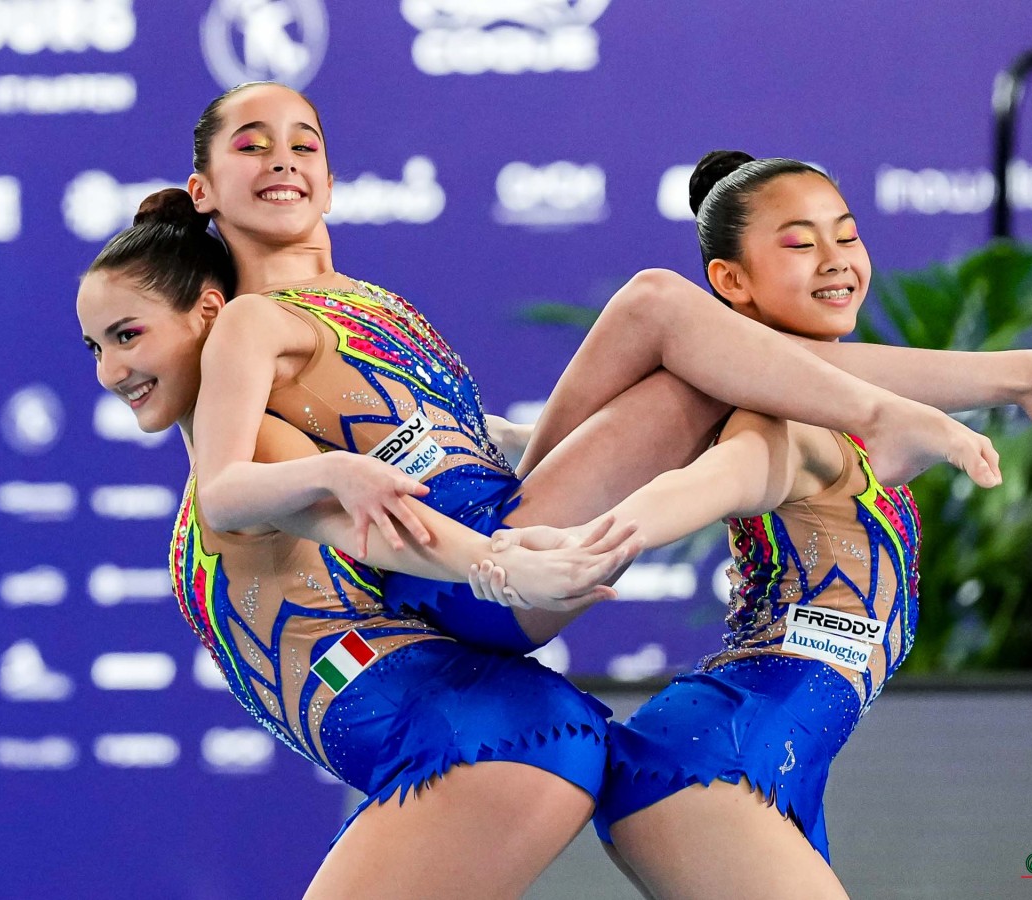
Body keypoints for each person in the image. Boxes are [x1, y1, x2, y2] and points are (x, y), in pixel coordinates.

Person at [179, 80, 1032, 656]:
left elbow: (448, 434)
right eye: (253, 147)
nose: (284, 159)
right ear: (203, 190)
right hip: (473, 566)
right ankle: (961, 395)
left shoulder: (373, 303)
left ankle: (1027, 379)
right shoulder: (249, 322)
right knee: (664, 309)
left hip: (510, 506)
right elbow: (222, 487)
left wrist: (533, 445)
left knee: (716, 352)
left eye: (304, 143)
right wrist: (342, 476)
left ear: (330, 177)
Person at [472, 151, 1032, 899]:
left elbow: (790, 380)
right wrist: (595, 539)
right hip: (717, 761)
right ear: (731, 282)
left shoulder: (809, 406)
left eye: (846, 236)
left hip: (760, 766)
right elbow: (713, 480)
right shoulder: (774, 422)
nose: (835, 259)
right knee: (671, 314)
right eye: (799, 243)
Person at [76, 192, 643, 899]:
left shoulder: (263, 449)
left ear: (209, 315)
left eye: (128, 336)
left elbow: (371, 525)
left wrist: (499, 564)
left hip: (463, 743)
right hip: (474, 737)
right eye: (95, 347)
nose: (109, 371)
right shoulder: (242, 466)